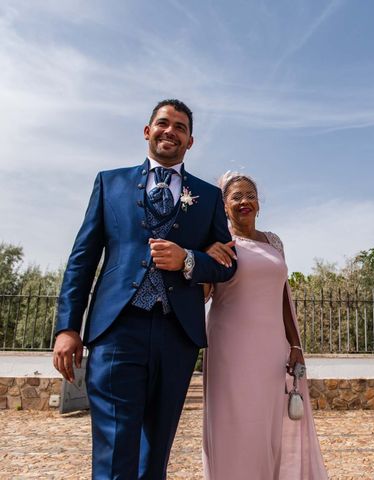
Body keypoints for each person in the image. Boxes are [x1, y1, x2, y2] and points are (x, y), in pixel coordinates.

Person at [52, 99, 237, 479]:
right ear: (147, 130)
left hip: (177, 335)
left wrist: (188, 259)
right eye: (163, 123)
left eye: (180, 127)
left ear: (190, 141)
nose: (171, 131)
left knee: (156, 452)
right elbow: (82, 260)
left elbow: (227, 264)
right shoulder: (110, 183)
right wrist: (68, 327)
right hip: (118, 331)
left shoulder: (208, 196)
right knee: (115, 447)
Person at [202, 172, 328, 479]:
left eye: (250, 196)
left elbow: (283, 295)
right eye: (236, 197)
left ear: (259, 203)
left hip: (273, 349)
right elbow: (203, 293)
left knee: (271, 427)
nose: (245, 202)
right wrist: (203, 259)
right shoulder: (218, 243)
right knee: (236, 425)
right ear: (224, 205)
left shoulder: (274, 241)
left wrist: (295, 344)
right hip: (230, 348)